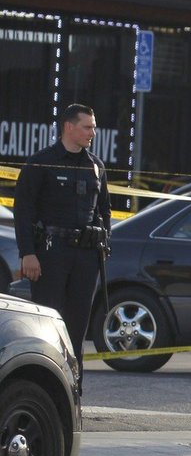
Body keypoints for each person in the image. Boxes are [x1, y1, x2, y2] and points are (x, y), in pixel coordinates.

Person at [14, 103, 111, 391]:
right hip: (51, 254)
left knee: (77, 327)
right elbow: (24, 210)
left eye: (93, 127)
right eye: (87, 127)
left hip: (85, 257)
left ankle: (73, 389)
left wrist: (105, 241)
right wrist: (27, 253)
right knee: (48, 324)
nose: (93, 132)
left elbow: (104, 211)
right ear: (69, 127)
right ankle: (45, 388)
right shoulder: (41, 162)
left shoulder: (96, 165)